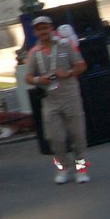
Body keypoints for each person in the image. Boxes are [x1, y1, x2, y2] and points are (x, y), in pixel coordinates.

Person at [24, 16, 90, 184]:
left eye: (45, 28)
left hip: (70, 96)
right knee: (56, 138)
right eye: (39, 29)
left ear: (51, 28)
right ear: (35, 32)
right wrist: (40, 80)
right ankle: (63, 168)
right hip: (50, 100)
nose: (43, 32)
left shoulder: (65, 45)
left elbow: (81, 65)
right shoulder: (34, 52)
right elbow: (28, 77)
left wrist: (67, 73)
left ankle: (81, 169)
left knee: (78, 136)